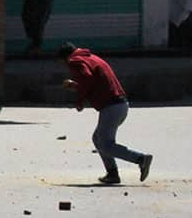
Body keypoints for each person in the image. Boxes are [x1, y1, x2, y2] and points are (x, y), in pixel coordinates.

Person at [58, 42, 152, 184]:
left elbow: (87, 78)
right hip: (119, 105)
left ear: (64, 58)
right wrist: (75, 86)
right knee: (98, 139)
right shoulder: (92, 57)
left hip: (111, 106)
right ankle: (112, 174)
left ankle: (140, 159)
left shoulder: (74, 60)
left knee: (106, 144)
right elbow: (91, 80)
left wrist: (80, 101)